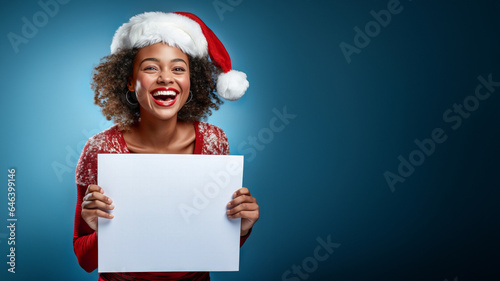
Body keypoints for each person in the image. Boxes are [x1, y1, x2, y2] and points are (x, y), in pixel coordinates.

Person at [73, 11, 259, 281]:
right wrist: (101, 232)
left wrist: (240, 228)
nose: (165, 78)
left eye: (178, 68)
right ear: (129, 79)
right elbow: (85, 260)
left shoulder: (214, 141)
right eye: (150, 67)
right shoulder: (100, 149)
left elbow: (211, 248)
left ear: (191, 80)